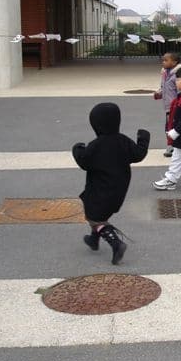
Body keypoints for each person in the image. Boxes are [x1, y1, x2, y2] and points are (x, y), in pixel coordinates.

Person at [72, 102, 150, 265]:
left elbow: (84, 162)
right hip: (119, 189)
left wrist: (77, 149)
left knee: (94, 217)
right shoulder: (123, 141)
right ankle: (94, 240)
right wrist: (143, 139)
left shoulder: (96, 145)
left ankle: (116, 243)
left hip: (99, 190)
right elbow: (138, 155)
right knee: (99, 215)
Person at [154, 52, 181, 157]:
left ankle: (172, 147)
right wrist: (159, 93)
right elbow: (163, 87)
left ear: (175, 62)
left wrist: (179, 104)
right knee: (169, 126)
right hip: (168, 106)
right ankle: (174, 146)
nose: (163, 62)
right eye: (163, 60)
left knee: (172, 126)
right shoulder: (164, 73)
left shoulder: (179, 75)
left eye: (166, 60)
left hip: (177, 106)